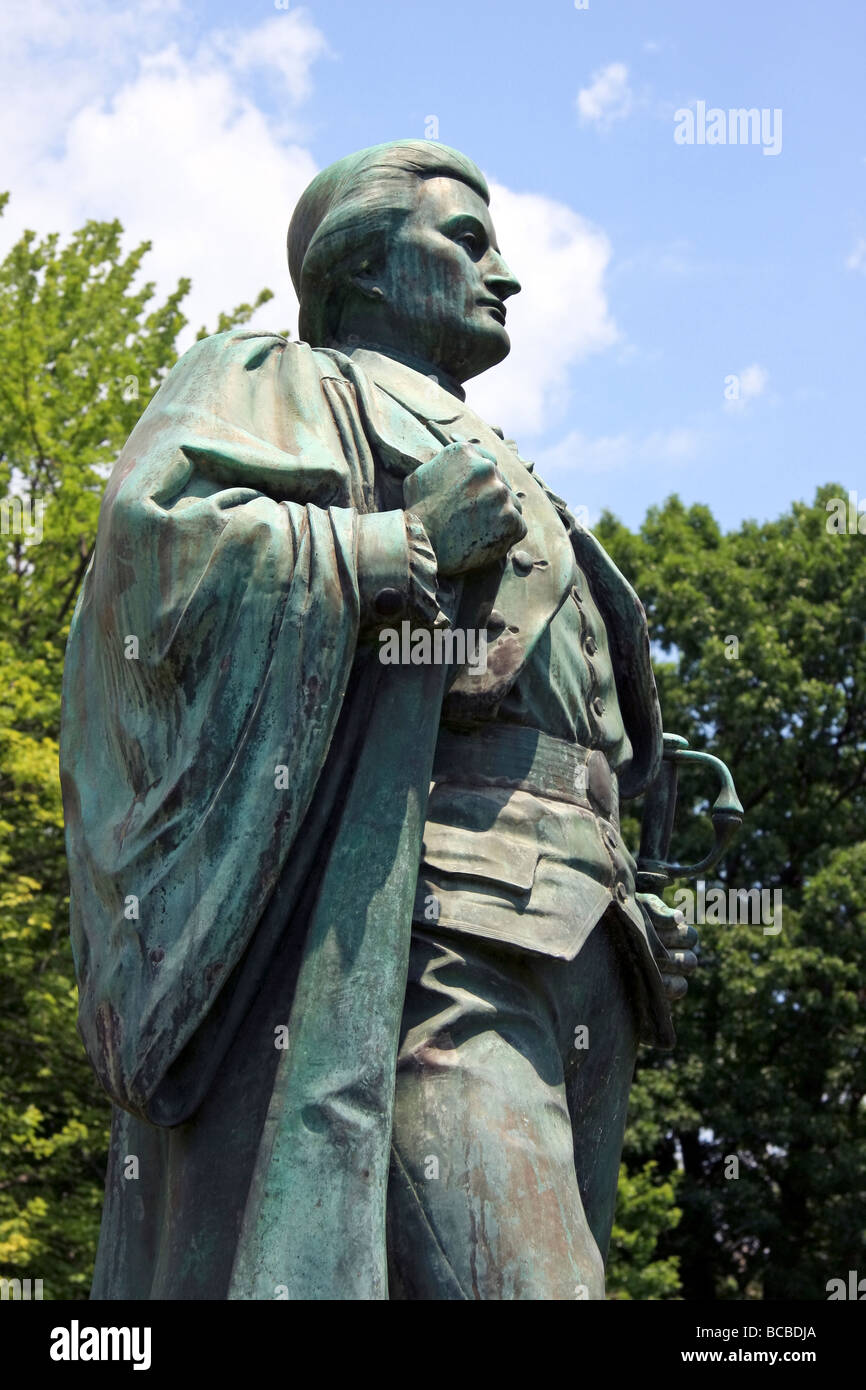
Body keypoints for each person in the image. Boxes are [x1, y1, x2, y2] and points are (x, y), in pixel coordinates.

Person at [60, 140, 696, 1301]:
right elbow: (156, 557)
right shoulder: (287, 383)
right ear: (357, 260)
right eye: (464, 241)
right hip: (424, 930)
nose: (504, 272)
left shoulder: (514, 462)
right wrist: (387, 546)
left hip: (584, 947)